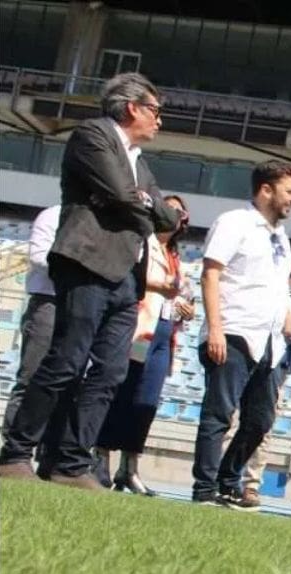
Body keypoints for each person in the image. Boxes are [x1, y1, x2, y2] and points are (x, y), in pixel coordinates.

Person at [0, 73, 181, 487]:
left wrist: (142, 203)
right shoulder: (92, 135)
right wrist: (139, 204)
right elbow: (120, 194)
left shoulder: (140, 160)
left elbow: (168, 217)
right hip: (86, 263)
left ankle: (71, 463)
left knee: (110, 372)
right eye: (155, 111)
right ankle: (15, 454)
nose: (160, 121)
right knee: (66, 360)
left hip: (125, 276)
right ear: (132, 107)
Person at [190, 160, 291, 507]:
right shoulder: (234, 222)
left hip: (270, 341)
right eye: (290, 191)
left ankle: (228, 478)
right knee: (219, 413)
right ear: (266, 189)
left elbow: (278, 284)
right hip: (235, 331)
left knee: (261, 419)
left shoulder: (280, 237)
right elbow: (211, 275)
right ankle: (204, 487)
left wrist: (286, 315)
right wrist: (216, 330)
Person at [94, 194, 194, 494]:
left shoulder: (176, 256)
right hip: (139, 328)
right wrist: (158, 287)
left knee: (145, 403)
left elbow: (181, 294)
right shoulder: (142, 242)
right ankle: (101, 459)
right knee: (122, 394)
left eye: (180, 213)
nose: (175, 216)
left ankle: (130, 467)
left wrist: (186, 307)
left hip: (164, 333)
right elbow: (129, 276)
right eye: (170, 209)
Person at [241, 260, 291, 508]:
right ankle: (222, 476)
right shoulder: (260, 294)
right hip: (250, 361)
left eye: (290, 275)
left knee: (262, 428)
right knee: (232, 421)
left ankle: (251, 484)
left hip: (274, 371)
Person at [3, 204, 60, 434]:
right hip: (48, 302)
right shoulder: (52, 216)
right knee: (31, 377)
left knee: (64, 385)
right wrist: (77, 262)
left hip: (80, 306)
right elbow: (38, 257)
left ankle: (48, 451)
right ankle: (13, 445)